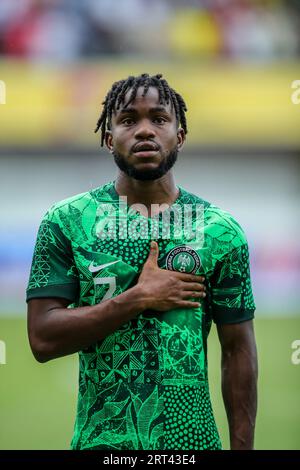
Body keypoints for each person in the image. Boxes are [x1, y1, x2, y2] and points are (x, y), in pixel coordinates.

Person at [26, 73, 258, 451]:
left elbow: (238, 350)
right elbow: (42, 339)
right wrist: (137, 298)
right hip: (100, 445)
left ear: (179, 135)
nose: (145, 131)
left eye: (160, 119)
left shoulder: (220, 230)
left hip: (192, 444)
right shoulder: (67, 221)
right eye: (129, 120)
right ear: (108, 138)